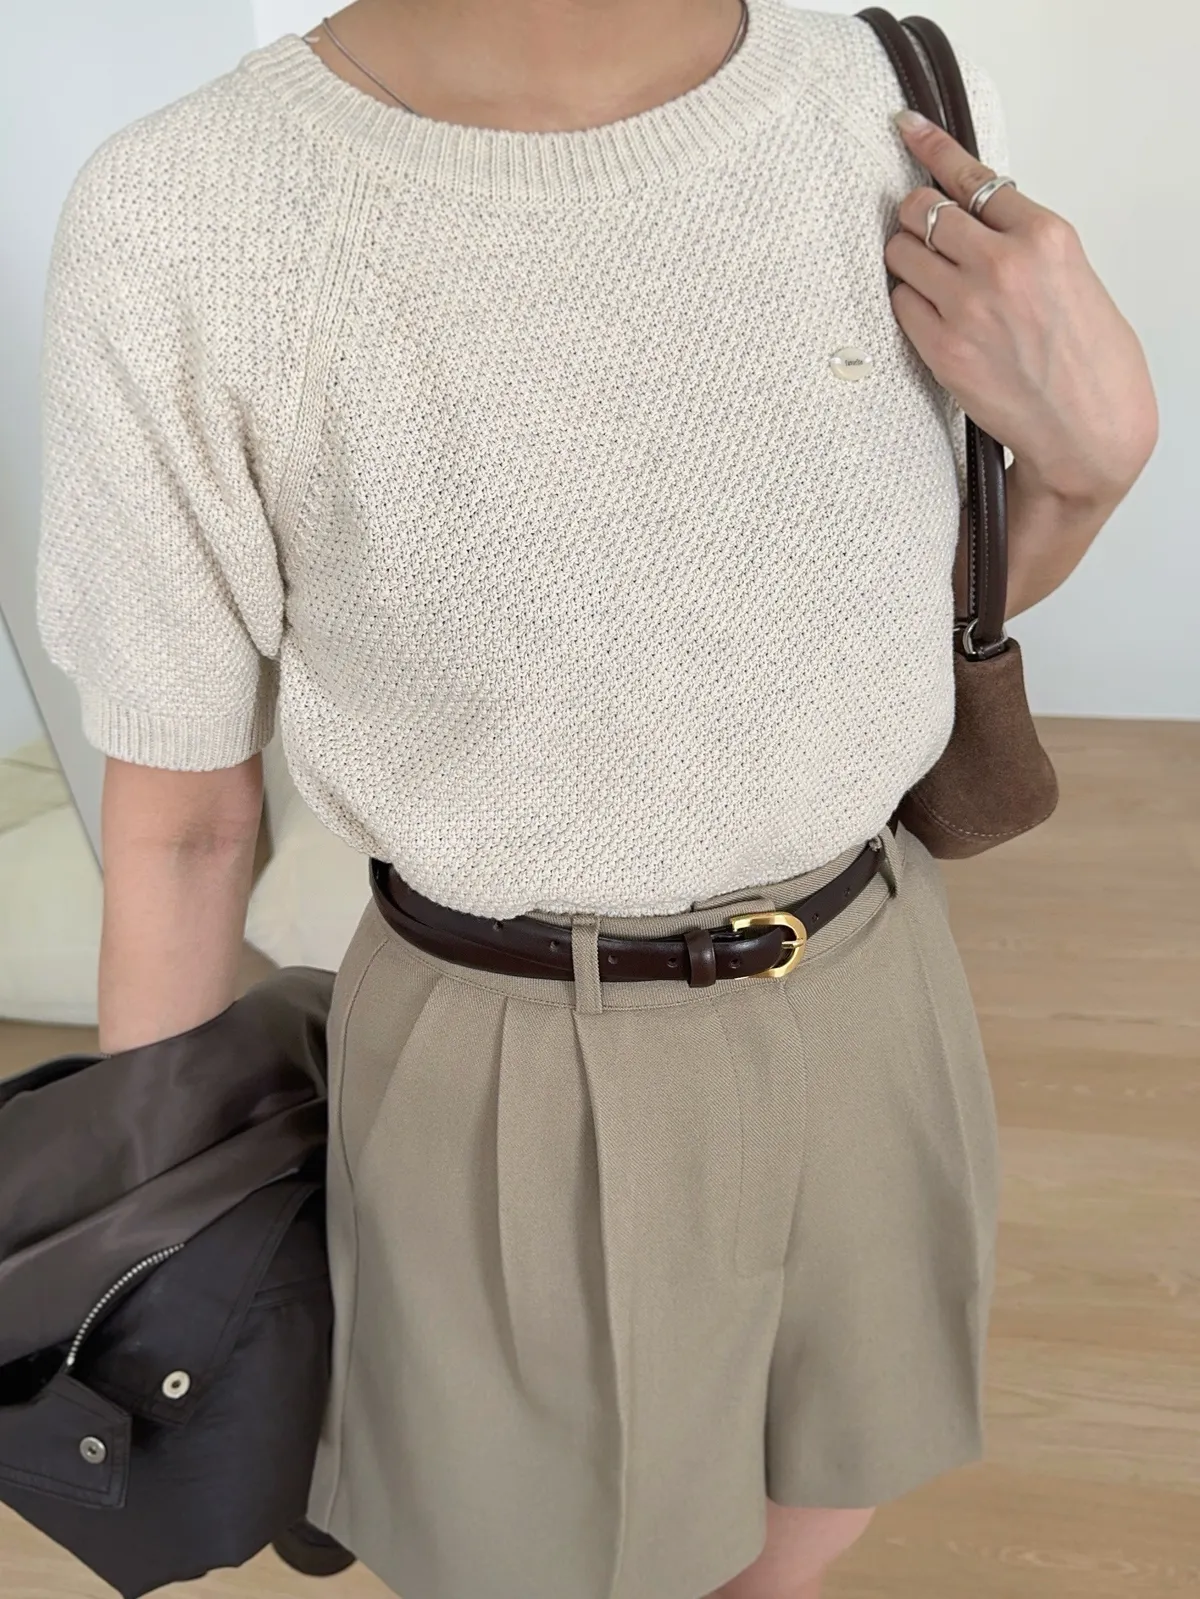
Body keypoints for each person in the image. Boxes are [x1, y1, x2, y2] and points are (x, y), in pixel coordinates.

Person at [34, 2, 1156, 1597]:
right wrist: (160, 1250)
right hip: (498, 1072)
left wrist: (1089, 471)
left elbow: (882, 634)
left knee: (803, 1527)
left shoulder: (886, 103)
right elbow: (184, 819)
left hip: (872, 989)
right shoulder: (191, 209)